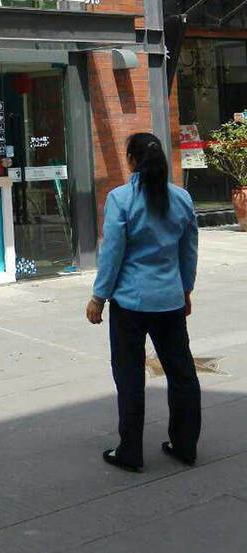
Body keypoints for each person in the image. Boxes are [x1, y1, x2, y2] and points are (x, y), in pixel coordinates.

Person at [86, 132, 201, 473]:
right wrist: (185, 289)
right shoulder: (181, 198)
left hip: (130, 303)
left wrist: (98, 297)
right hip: (169, 301)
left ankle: (130, 452)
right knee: (182, 375)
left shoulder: (121, 198)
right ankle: (185, 446)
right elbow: (188, 250)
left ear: (132, 161)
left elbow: (112, 252)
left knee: (130, 378)